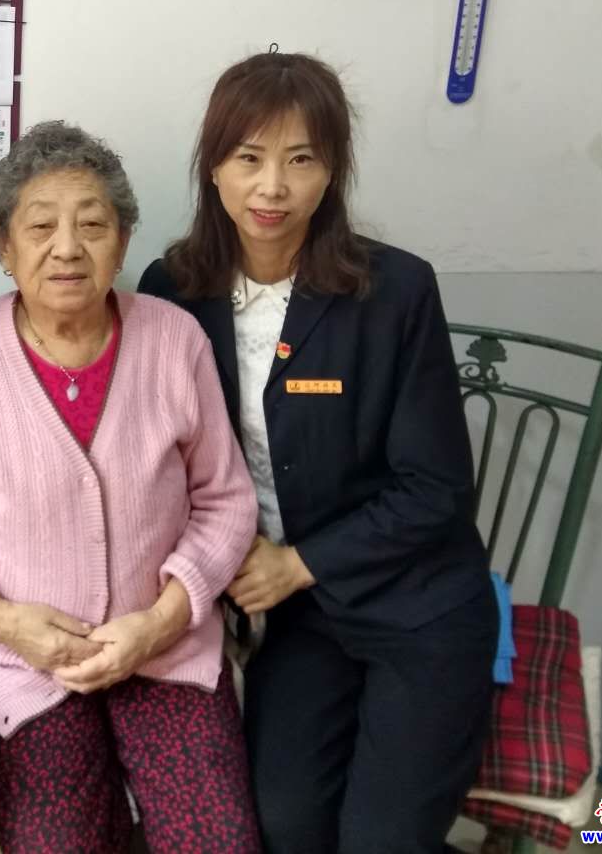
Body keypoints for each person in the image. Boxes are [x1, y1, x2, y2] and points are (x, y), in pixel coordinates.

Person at [0, 122, 262, 853]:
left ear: (124, 240)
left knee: (219, 841)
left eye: (93, 225)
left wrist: (163, 619)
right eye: (41, 227)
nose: (68, 248)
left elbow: (226, 501)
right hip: (20, 663)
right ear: (4, 248)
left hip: (164, 648)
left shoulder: (176, 340)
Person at [139, 51, 497, 853]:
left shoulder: (394, 290)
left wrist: (298, 563)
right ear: (213, 167)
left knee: (379, 839)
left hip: (418, 607)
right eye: (249, 158)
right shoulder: (174, 290)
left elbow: (436, 487)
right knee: (285, 821)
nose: (273, 187)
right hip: (304, 622)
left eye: (301, 160)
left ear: (333, 171)